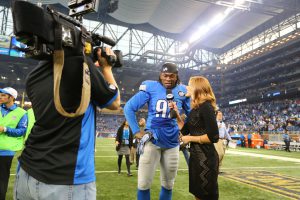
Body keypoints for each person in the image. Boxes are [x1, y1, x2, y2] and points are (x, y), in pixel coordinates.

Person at [14, 47, 120, 200]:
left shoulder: (33, 76)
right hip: (66, 177)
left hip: (27, 169)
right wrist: (107, 67)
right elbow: (115, 103)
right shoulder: (82, 66)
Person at [124, 63, 190, 200]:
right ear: (160, 75)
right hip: (152, 141)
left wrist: (185, 130)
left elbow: (193, 114)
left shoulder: (183, 90)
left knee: (168, 184)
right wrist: (136, 132)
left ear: (176, 76)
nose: (168, 79)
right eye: (165, 75)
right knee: (143, 184)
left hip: (172, 143)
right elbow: (129, 107)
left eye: (171, 76)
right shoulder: (151, 86)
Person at [171, 76, 219, 200]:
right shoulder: (195, 109)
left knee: (207, 196)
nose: (187, 88)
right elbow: (185, 130)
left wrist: (190, 139)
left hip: (206, 159)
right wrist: (176, 114)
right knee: (198, 195)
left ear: (197, 88)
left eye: (189, 85)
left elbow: (213, 136)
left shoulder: (206, 107)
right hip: (196, 158)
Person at [0, 87, 28, 200]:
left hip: (6, 152)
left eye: (3, 95)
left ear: (11, 97)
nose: (0, 97)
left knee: (1, 180)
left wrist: (5, 129)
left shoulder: (21, 113)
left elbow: (22, 131)